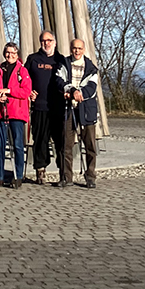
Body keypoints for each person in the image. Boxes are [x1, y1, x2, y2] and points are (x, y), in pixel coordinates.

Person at [0, 40, 32, 188]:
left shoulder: (22, 71)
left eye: (13, 53)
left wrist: (9, 92)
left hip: (16, 113)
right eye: (8, 53)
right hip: (1, 112)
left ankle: (18, 175)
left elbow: (26, 91)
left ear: (17, 54)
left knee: (17, 145)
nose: (10, 55)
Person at [56, 38, 99, 189]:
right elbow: (58, 80)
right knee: (66, 144)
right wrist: (71, 90)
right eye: (74, 48)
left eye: (80, 48)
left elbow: (92, 88)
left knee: (90, 145)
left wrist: (78, 93)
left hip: (86, 110)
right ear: (70, 48)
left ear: (84, 49)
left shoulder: (91, 68)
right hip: (68, 109)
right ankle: (66, 176)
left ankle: (90, 176)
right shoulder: (64, 64)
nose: (77, 51)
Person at [25, 29, 66, 184]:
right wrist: (29, 91)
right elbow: (23, 79)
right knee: (40, 140)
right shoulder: (33, 59)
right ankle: (40, 170)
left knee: (59, 141)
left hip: (57, 108)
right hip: (39, 107)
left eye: (49, 40)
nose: (46, 43)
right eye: (43, 41)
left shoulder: (61, 60)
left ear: (54, 42)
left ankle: (63, 171)